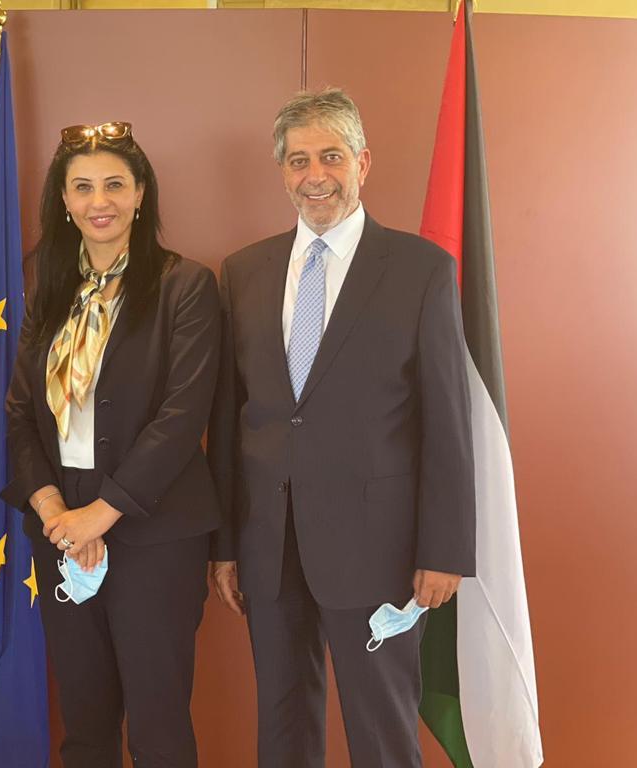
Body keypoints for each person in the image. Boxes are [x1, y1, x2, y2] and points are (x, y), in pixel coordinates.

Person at [208, 88, 476, 767]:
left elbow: (447, 420)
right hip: (270, 546)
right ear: (282, 171)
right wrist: (226, 544)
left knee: (382, 731)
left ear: (363, 162)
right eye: (298, 160)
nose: (315, 175)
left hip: (379, 549)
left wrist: (445, 549)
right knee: (283, 726)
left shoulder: (421, 270)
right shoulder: (244, 272)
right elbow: (231, 418)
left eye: (331, 156)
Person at [1, 122, 221, 768]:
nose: (100, 201)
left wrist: (101, 513)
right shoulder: (48, 289)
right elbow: (20, 416)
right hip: (62, 531)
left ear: (141, 193)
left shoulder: (186, 286)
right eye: (83, 187)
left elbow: (181, 418)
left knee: (157, 728)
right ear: (64, 200)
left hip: (155, 534)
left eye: (115, 185)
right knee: (86, 725)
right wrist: (57, 515)